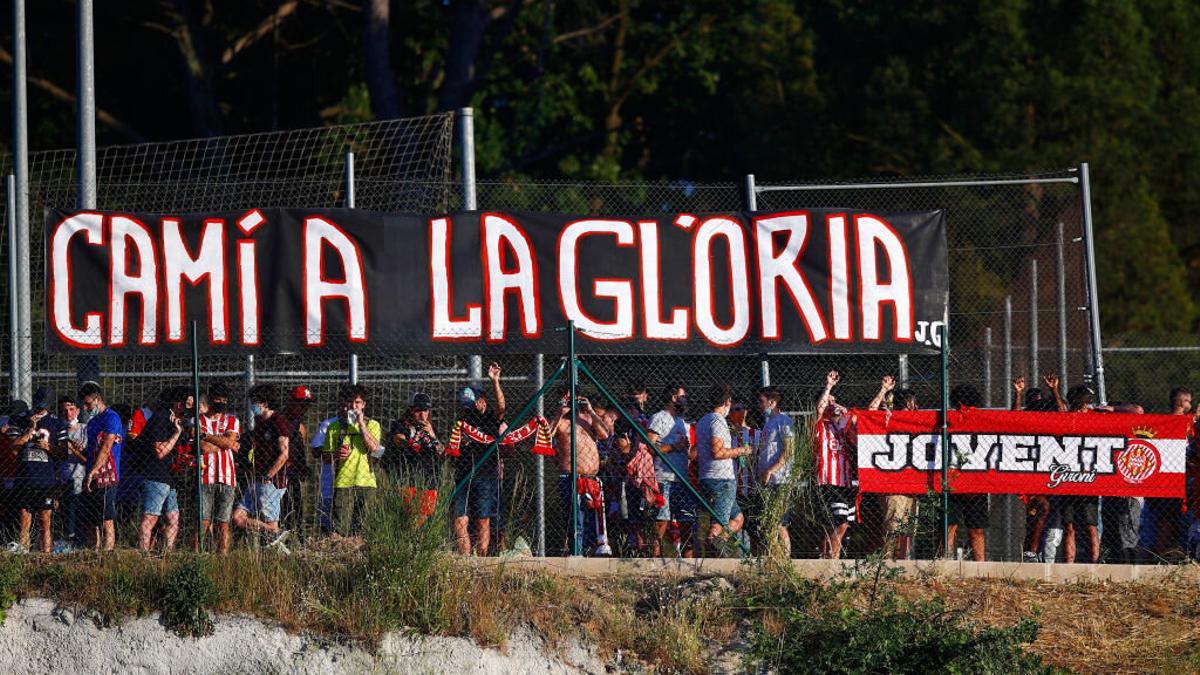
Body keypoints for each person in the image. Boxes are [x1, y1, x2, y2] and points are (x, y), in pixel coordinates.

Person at [451, 362, 506, 556]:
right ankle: (465, 558)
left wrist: (495, 381)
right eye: (467, 406)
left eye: (474, 403)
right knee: (460, 518)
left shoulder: (490, 418)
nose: (472, 408)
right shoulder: (463, 421)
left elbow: (501, 408)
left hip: (486, 476)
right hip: (464, 475)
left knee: (483, 519)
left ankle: (481, 559)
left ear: (482, 401)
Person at [551, 390, 612, 556]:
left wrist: (591, 410)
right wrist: (558, 413)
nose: (572, 402)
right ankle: (576, 552)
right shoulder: (561, 422)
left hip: (592, 478)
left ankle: (592, 551)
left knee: (594, 519)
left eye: (575, 399)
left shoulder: (588, 419)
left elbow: (605, 434)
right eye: (568, 399)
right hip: (571, 477)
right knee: (576, 519)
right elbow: (546, 436)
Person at [866, 377, 920, 560]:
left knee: (908, 527)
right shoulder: (889, 418)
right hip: (893, 481)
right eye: (914, 401)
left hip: (913, 481)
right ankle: (886, 561)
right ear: (908, 402)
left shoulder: (920, 421)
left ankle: (903, 562)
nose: (916, 405)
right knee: (892, 526)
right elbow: (870, 412)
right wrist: (883, 390)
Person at [695, 385, 752, 554]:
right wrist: (742, 451)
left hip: (707, 476)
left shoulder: (704, 420)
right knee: (718, 523)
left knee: (737, 518)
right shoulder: (717, 421)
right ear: (727, 402)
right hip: (722, 480)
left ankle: (719, 544)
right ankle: (713, 549)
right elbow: (717, 451)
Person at [9, 387, 67, 553]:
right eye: (39, 404)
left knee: (45, 520)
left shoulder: (57, 423)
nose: (41, 408)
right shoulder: (19, 419)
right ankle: (23, 553)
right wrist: (29, 430)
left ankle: (46, 555)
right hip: (25, 476)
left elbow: (64, 454)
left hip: (46, 479)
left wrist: (47, 446)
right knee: (24, 519)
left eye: (44, 405)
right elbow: (13, 447)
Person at [231, 384, 290, 546]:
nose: (251, 406)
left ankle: (274, 536)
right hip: (256, 478)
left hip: (270, 480)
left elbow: (284, 454)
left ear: (264, 403)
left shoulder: (278, 421)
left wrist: (269, 475)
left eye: (254, 402)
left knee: (270, 521)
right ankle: (274, 533)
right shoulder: (259, 422)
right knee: (237, 517)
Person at [321, 384, 383, 537]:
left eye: (357, 403)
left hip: (366, 482)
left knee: (363, 529)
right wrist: (336, 454)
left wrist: (361, 423)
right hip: (343, 482)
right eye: (350, 402)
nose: (353, 406)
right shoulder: (334, 427)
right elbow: (325, 457)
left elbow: (374, 449)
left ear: (363, 405)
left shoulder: (372, 425)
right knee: (339, 530)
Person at [135, 387, 190, 553]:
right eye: (188, 404)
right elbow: (160, 451)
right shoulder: (161, 418)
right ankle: (143, 555)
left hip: (169, 477)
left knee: (173, 518)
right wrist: (177, 433)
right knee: (150, 517)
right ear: (179, 404)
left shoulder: (174, 420)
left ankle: (167, 554)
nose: (190, 408)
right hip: (155, 476)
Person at [646, 384, 695, 557]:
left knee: (687, 520)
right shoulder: (659, 418)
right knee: (662, 521)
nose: (686, 399)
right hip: (664, 477)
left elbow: (688, 451)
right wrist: (674, 446)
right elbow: (650, 448)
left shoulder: (682, 422)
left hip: (682, 479)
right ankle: (653, 560)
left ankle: (689, 563)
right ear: (673, 398)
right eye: (683, 396)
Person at [79, 382, 125, 551]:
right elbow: (92, 450)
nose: (85, 407)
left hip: (107, 475)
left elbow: (106, 447)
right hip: (92, 474)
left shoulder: (111, 417)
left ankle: (108, 553)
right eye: (83, 404)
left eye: (88, 404)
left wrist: (93, 472)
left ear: (97, 399)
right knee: (91, 519)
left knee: (107, 518)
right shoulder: (92, 423)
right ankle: (94, 550)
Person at [814, 371, 856, 559]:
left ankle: (830, 557)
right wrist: (829, 386)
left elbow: (858, 422)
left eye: (834, 401)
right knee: (838, 522)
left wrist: (845, 412)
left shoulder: (843, 426)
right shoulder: (819, 425)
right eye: (829, 401)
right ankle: (831, 558)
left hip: (845, 480)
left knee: (841, 523)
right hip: (828, 479)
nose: (833, 404)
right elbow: (819, 410)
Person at [750, 385, 795, 557]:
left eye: (762, 401)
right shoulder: (769, 423)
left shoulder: (784, 421)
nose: (759, 405)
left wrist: (771, 470)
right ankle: (772, 557)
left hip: (780, 479)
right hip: (768, 480)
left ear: (772, 402)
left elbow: (789, 449)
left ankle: (784, 559)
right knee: (768, 522)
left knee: (779, 522)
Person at [197, 383, 241, 554]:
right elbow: (204, 448)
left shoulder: (232, 420)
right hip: (205, 476)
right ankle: (198, 556)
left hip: (228, 477)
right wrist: (226, 443)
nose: (221, 402)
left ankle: (222, 557)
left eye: (224, 400)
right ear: (210, 399)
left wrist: (207, 436)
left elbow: (229, 441)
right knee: (203, 521)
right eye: (218, 399)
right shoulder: (198, 419)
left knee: (223, 523)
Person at [388, 392, 444, 525]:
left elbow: (442, 452)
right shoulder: (400, 425)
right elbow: (399, 441)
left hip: (429, 479)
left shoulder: (431, 428)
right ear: (411, 409)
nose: (422, 415)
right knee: (411, 518)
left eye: (425, 410)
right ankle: (409, 543)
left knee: (423, 518)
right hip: (407, 478)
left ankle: (417, 544)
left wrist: (432, 435)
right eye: (418, 410)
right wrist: (414, 439)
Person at [280, 386, 314, 541]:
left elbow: (300, 449)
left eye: (306, 405)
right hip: (278, 474)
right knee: (282, 509)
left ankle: (300, 538)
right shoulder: (278, 420)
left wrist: (302, 467)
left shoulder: (300, 426)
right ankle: (282, 538)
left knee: (298, 507)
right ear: (291, 402)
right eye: (301, 404)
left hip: (293, 473)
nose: (304, 409)